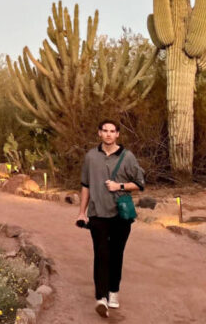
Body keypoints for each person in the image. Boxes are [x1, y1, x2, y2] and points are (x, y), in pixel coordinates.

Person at [76, 119, 145, 318]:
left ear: (117, 135)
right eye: (104, 131)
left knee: (116, 255)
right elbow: (85, 186)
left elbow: (140, 184)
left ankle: (113, 292)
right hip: (97, 214)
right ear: (99, 133)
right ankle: (101, 298)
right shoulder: (90, 157)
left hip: (121, 216)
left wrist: (119, 186)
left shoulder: (128, 157)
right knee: (101, 254)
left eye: (112, 131)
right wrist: (82, 212)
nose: (108, 134)